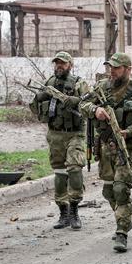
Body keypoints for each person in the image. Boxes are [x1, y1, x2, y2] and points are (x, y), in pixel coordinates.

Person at [80, 52, 132, 253]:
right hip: (105, 147)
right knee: (108, 191)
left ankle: (122, 231)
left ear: (128, 69)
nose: (112, 71)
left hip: (126, 148)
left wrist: (128, 131)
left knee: (121, 189)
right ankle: (124, 218)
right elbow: (82, 103)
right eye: (110, 68)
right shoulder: (102, 87)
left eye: (116, 67)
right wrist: (95, 110)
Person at [29, 51, 90, 230]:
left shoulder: (80, 83)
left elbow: (89, 104)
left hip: (75, 134)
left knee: (75, 169)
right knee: (60, 173)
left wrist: (75, 101)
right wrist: (40, 98)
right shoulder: (49, 83)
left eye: (62, 63)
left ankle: (74, 210)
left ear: (70, 65)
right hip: (55, 134)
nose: (59, 66)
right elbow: (35, 109)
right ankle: (63, 213)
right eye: (56, 63)